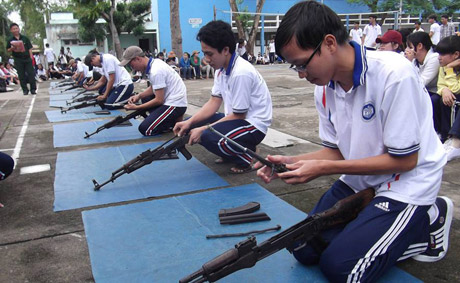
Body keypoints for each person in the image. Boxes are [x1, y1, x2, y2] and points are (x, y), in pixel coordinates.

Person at [258, 1, 452, 282]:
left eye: (302, 63)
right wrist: (292, 162)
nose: (301, 74)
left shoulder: (393, 74)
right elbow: (336, 151)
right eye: (294, 66)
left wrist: (322, 170)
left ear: (329, 43)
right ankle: (372, 224)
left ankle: (429, 221)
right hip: (362, 180)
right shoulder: (324, 89)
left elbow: (406, 160)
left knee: (343, 269)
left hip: (407, 183)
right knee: (302, 246)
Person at [174, 20, 273, 174]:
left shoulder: (241, 72)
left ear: (226, 50)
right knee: (189, 126)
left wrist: (205, 128)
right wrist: (191, 122)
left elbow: (240, 114)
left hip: (252, 125)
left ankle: (247, 155)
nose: (206, 59)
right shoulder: (220, 70)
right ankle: (231, 150)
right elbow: (214, 101)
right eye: (204, 53)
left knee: (207, 135)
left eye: (209, 54)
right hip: (235, 119)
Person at [119, 46, 187, 136]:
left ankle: (173, 124)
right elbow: (154, 87)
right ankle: (161, 119)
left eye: (132, 65)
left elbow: (159, 100)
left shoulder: (156, 71)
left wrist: (137, 107)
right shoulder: (154, 63)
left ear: (138, 59)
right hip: (170, 101)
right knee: (145, 98)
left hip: (175, 104)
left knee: (145, 129)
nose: (133, 69)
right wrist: (139, 96)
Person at [405, 32, 441, 132]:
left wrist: (408, 62)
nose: (407, 50)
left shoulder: (434, 58)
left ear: (420, 46)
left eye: (410, 47)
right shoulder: (415, 60)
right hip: (423, 90)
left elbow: (421, 82)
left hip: (434, 91)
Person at [435, 35, 460, 159]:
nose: (439, 57)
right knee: (436, 100)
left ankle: (454, 141)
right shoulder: (443, 66)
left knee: (454, 101)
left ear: (456, 54)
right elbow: (440, 84)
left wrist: (449, 69)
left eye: (442, 54)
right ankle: (442, 136)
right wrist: (444, 90)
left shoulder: (448, 67)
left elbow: (456, 89)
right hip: (452, 95)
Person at [6, 23, 37, 95]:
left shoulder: (25, 38)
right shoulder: (10, 40)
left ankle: (33, 89)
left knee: (31, 74)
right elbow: (8, 49)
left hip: (27, 58)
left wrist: (31, 58)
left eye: (16, 28)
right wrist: (12, 48)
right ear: (11, 30)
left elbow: (30, 48)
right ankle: (25, 90)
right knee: (21, 75)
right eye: (14, 29)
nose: (15, 30)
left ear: (19, 29)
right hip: (18, 59)